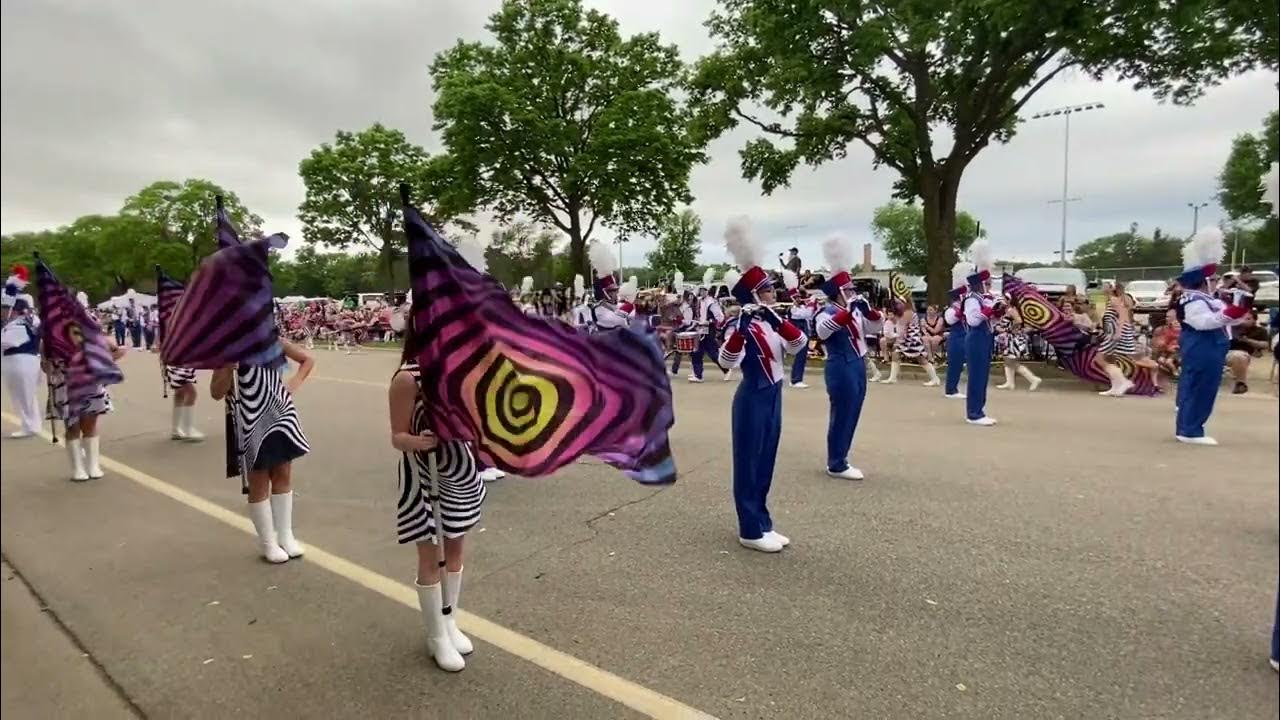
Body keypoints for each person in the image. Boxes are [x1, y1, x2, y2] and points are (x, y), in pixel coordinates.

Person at [388, 328, 486, 672]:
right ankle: (436, 637)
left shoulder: (460, 372)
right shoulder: (407, 379)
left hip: (459, 472)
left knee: (456, 551)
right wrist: (422, 442)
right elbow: (398, 437)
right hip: (424, 478)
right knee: (431, 556)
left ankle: (450, 620)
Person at [719, 219, 806, 553]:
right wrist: (741, 325)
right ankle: (749, 528)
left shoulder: (772, 322)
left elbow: (799, 345)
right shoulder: (737, 324)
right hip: (752, 396)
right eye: (767, 290)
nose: (774, 293)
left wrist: (774, 318)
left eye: (772, 288)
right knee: (749, 461)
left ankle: (763, 521)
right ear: (753, 294)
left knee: (766, 458)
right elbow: (727, 362)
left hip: (773, 396)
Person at [210, 339, 314, 562]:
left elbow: (307, 359)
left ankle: (286, 536)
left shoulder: (272, 339)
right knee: (259, 480)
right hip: (250, 418)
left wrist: (292, 384)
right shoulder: (228, 348)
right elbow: (216, 392)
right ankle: (268, 542)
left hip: (281, 415)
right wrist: (228, 367)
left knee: (283, 474)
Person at [1173, 227, 1249, 445]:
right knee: (1200, 387)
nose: (1216, 282)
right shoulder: (1193, 300)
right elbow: (1203, 322)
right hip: (1202, 346)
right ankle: (1190, 430)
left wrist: (1238, 307)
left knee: (1200, 386)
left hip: (1210, 346)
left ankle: (1189, 427)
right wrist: (1229, 314)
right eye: (1213, 278)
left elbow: (1229, 317)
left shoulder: (1207, 299)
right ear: (1202, 280)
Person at [814, 237, 878, 481]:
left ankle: (841, 456)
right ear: (838, 293)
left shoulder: (852, 309)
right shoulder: (827, 311)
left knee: (854, 411)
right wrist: (849, 311)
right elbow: (822, 331)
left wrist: (868, 311)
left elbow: (873, 328)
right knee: (842, 413)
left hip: (858, 363)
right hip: (840, 365)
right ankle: (836, 462)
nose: (853, 293)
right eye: (849, 290)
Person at [46, 329, 126, 481]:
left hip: (90, 382)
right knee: (72, 426)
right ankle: (77, 468)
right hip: (65, 384)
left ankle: (93, 465)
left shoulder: (90, 330)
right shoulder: (51, 332)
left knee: (90, 424)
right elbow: (46, 365)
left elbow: (116, 351)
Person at [963, 240, 999, 426]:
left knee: (982, 375)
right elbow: (972, 320)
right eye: (986, 282)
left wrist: (997, 312)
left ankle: (978, 409)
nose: (989, 284)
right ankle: (974, 412)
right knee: (977, 375)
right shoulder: (971, 299)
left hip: (984, 337)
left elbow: (989, 320)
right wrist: (989, 311)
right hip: (976, 338)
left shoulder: (982, 298)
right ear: (978, 284)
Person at [2, 288, 42, 438]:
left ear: (16, 311)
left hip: (22, 362)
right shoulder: (19, 323)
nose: (4, 312)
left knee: (25, 396)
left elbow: (6, 342)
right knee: (23, 396)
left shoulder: (19, 325)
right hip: (18, 363)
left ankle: (30, 426)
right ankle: (30, 424)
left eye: (6, 309)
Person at [881, 300, 941, 386]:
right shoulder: (905, 312)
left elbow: (902, 326)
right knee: (895, 354)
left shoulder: (908, 312)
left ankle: (935, 378)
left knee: (921, 359)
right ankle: (892, 378)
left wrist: (898, 336)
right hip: (906, 338)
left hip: (912, 339)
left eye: (899, 303)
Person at [1093, 282, 1137, 396]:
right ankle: (1115, 386)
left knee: (1099, 358)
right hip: (1112, 332)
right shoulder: (1109, 301)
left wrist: (1118, 332)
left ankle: (1123, 381)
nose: (1102, 288)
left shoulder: (1114, 300)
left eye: (1104, 286)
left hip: (1116, 333)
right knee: (1111, 360)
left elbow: (1123, 315)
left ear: (1110, 288)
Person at [690, 271, 731, 383]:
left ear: (707, 291)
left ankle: (727, 370)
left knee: (713, 353)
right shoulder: (700, 301)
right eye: (701, 290)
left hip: (709, 330)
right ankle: (698, 375)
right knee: (696, 352)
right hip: (700, 329)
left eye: (703, 290)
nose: (701, 292)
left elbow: (721, 317)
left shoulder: (712, 303)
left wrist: (710, 321)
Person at [994, 307, 1042, 391]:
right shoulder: (1007, 310)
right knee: (1008, 360)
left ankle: (1033, 379)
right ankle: (1010, 383)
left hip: (1013, 339)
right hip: (1008, 338)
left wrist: (1010, 329)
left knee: (1012, 361)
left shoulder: (1011, 310)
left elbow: (1019, 321)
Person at [1225, 310, 1268, 394]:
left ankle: (1240, 384)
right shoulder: (1232, 328)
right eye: (1242, 318)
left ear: (1254, 320)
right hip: (1223, 350)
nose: (1243, 320)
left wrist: (1247, 340)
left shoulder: (1260, 330)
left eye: (1248, 319)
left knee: (1238, 356)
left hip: (1241, 352)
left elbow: (1265, 345)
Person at [942, 261, 968, 399]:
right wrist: (961, 310)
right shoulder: (952, 308)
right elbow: (950, 319)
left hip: (966, 336)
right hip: (957, 337)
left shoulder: (966, 305)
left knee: (962, 364)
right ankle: (951, 389)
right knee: (955, 364)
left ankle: (955, 388)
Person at [788, 288, 818, 388]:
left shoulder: (801, 307)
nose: (799, 299)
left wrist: (813, 304)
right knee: (800, 357)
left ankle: (796, 379)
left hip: (804, 335)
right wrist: (812, 303)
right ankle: (796, 380)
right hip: (797, 336)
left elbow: (810, 316)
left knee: (801, 357)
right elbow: (806, 314)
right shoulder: (792, 309)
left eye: (799, 297)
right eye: (796, 297)